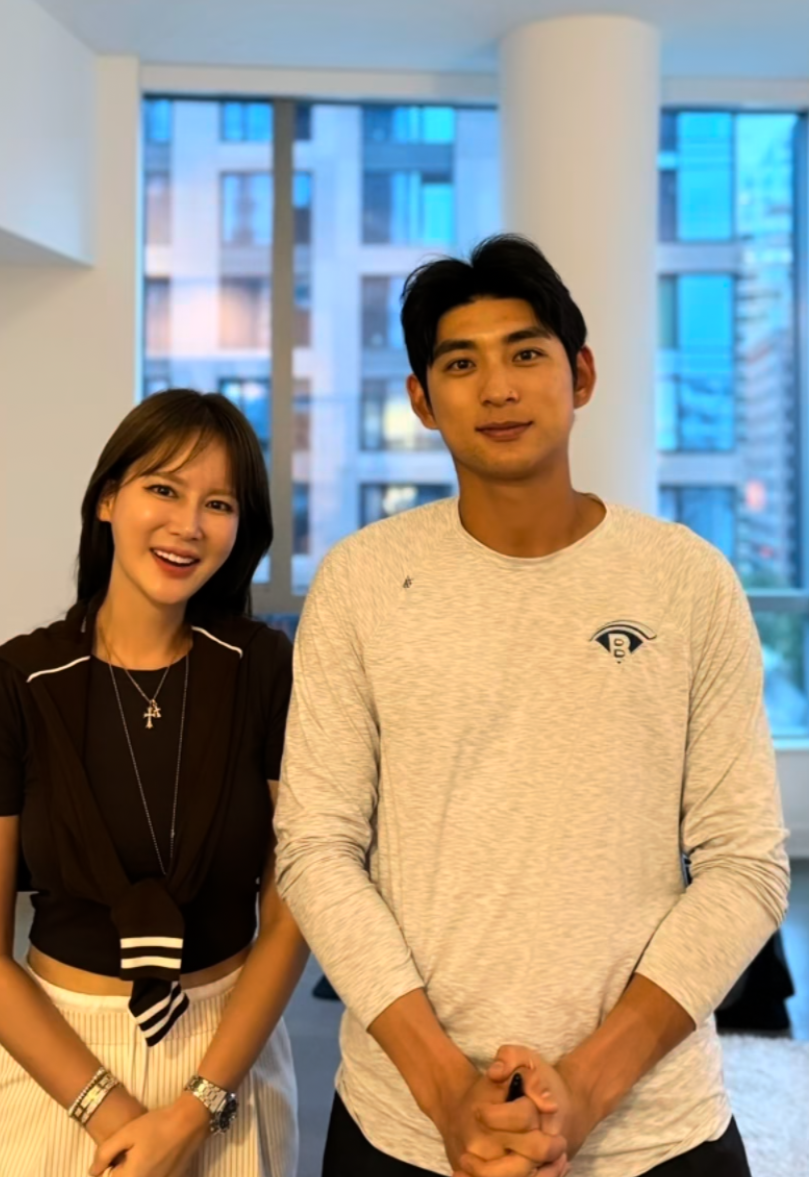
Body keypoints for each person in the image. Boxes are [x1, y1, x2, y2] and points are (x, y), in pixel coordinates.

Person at [274, 236, 790, 1177]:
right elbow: (315, 848)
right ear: (421, 400)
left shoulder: (686, 580)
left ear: (580, 373)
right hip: (406, 1126)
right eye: (460, 364)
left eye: (525, 353)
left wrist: (586, 1087)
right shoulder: (361, 583)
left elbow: (746, 865)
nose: (498, 387)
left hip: (655, 1129)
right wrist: (447, 1093)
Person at [0, 389, 307, 1177]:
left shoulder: (263, 670)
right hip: (58, 1062)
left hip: (228, 1059)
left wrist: (194, 1110)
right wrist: (116, 1115)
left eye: (219, 503)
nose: (189, 524)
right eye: (164, 488)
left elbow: (290, 913)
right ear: (108, 498)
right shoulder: (13, 682)